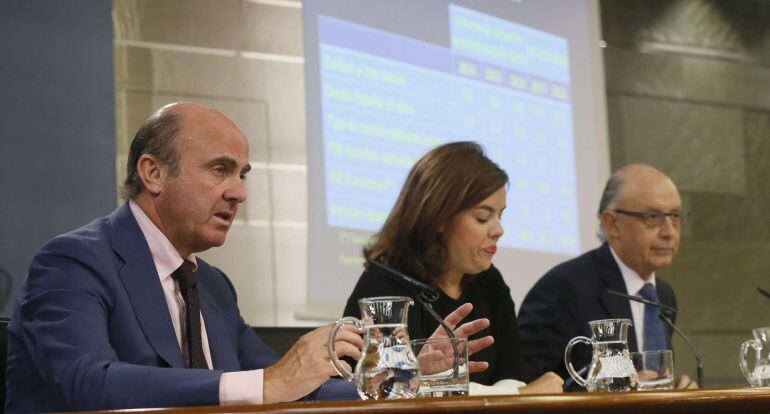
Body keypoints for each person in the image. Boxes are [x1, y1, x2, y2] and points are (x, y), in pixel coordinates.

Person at [3, 103, 491, 412]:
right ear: (152, 173)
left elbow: (291, 386)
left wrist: (401, 379)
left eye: (243, 174)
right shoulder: (72, 262)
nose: (238, 193)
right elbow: (88, 386)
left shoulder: (212, 286)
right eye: (220, 170)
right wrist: (269, 382)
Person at [343, 142, 563, 394]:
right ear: (438, 217)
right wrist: (519, 397)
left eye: (500, 216)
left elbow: (511, 375)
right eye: (482, 217)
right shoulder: (384, 284)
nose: (498, 230)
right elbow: (392, 392)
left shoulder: (489, 281)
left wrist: (515, 394)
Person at [517, 164, 694, 389]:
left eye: (675, 216)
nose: (669, 232)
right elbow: (529, 386)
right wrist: (619, 388)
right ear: (612, 224)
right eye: (653, 217)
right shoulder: (562, 289)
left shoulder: (663, 294)